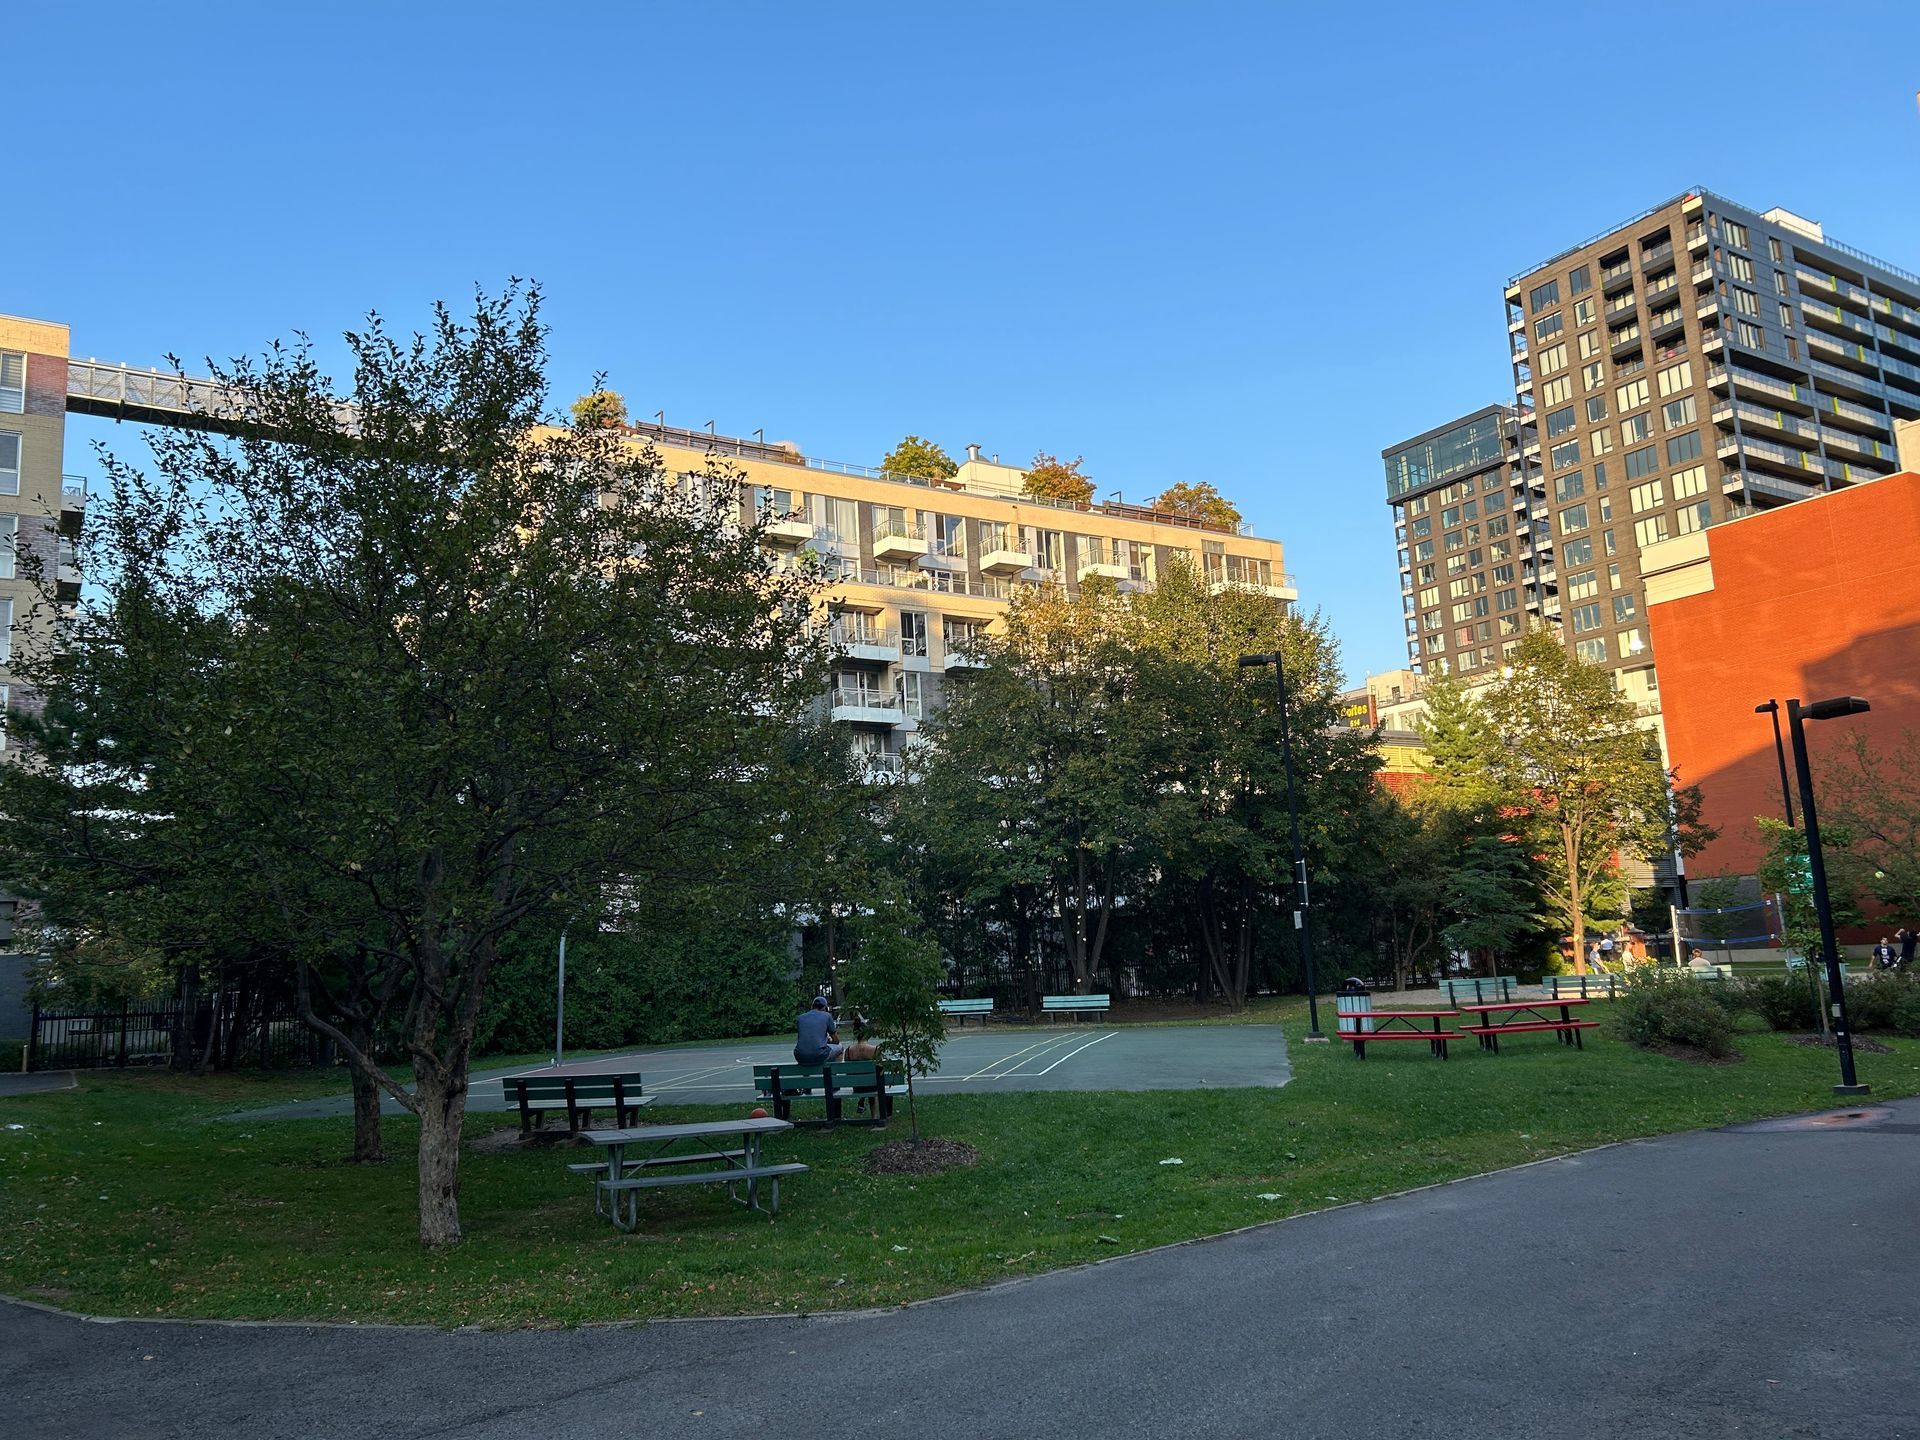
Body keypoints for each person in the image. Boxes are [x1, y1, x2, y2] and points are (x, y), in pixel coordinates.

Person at [794, 995, 846, 1066]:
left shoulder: (800, 1018)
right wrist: (828, 1041)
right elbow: (836, 1041)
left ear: (812, 1007)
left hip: (800, 1056)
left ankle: (806, 1072)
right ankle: (833, 1071)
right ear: (825, 1008)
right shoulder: (827, 1016)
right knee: (840, 1048)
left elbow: (803, 1040)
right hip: (819, 1055)